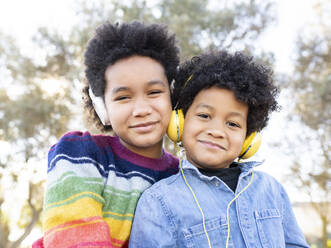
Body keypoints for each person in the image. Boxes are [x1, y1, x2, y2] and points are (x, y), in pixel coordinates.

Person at [129, 50, 309, 247]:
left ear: (248, 139)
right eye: (204, 116)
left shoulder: (272, 190)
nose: (216, 131)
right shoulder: (158, 202)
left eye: (232, 124)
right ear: (179, 122)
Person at [36, 21, 180, 248]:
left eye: (154, 92)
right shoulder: (79, 154)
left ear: (173, 96)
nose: (141, 109)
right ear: (103, 107)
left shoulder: (181, 175)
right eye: (123, 97)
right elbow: (74, 236)